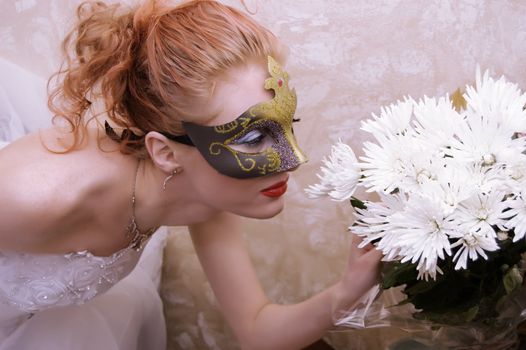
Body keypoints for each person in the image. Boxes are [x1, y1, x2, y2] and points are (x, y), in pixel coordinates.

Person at [0, 0, 382, 349]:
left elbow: (256, 329)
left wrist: (346, 290)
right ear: (164, 153)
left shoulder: (202, 196)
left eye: (287, 124)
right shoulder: (37, 196)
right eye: (253, 137)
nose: (293, 158)